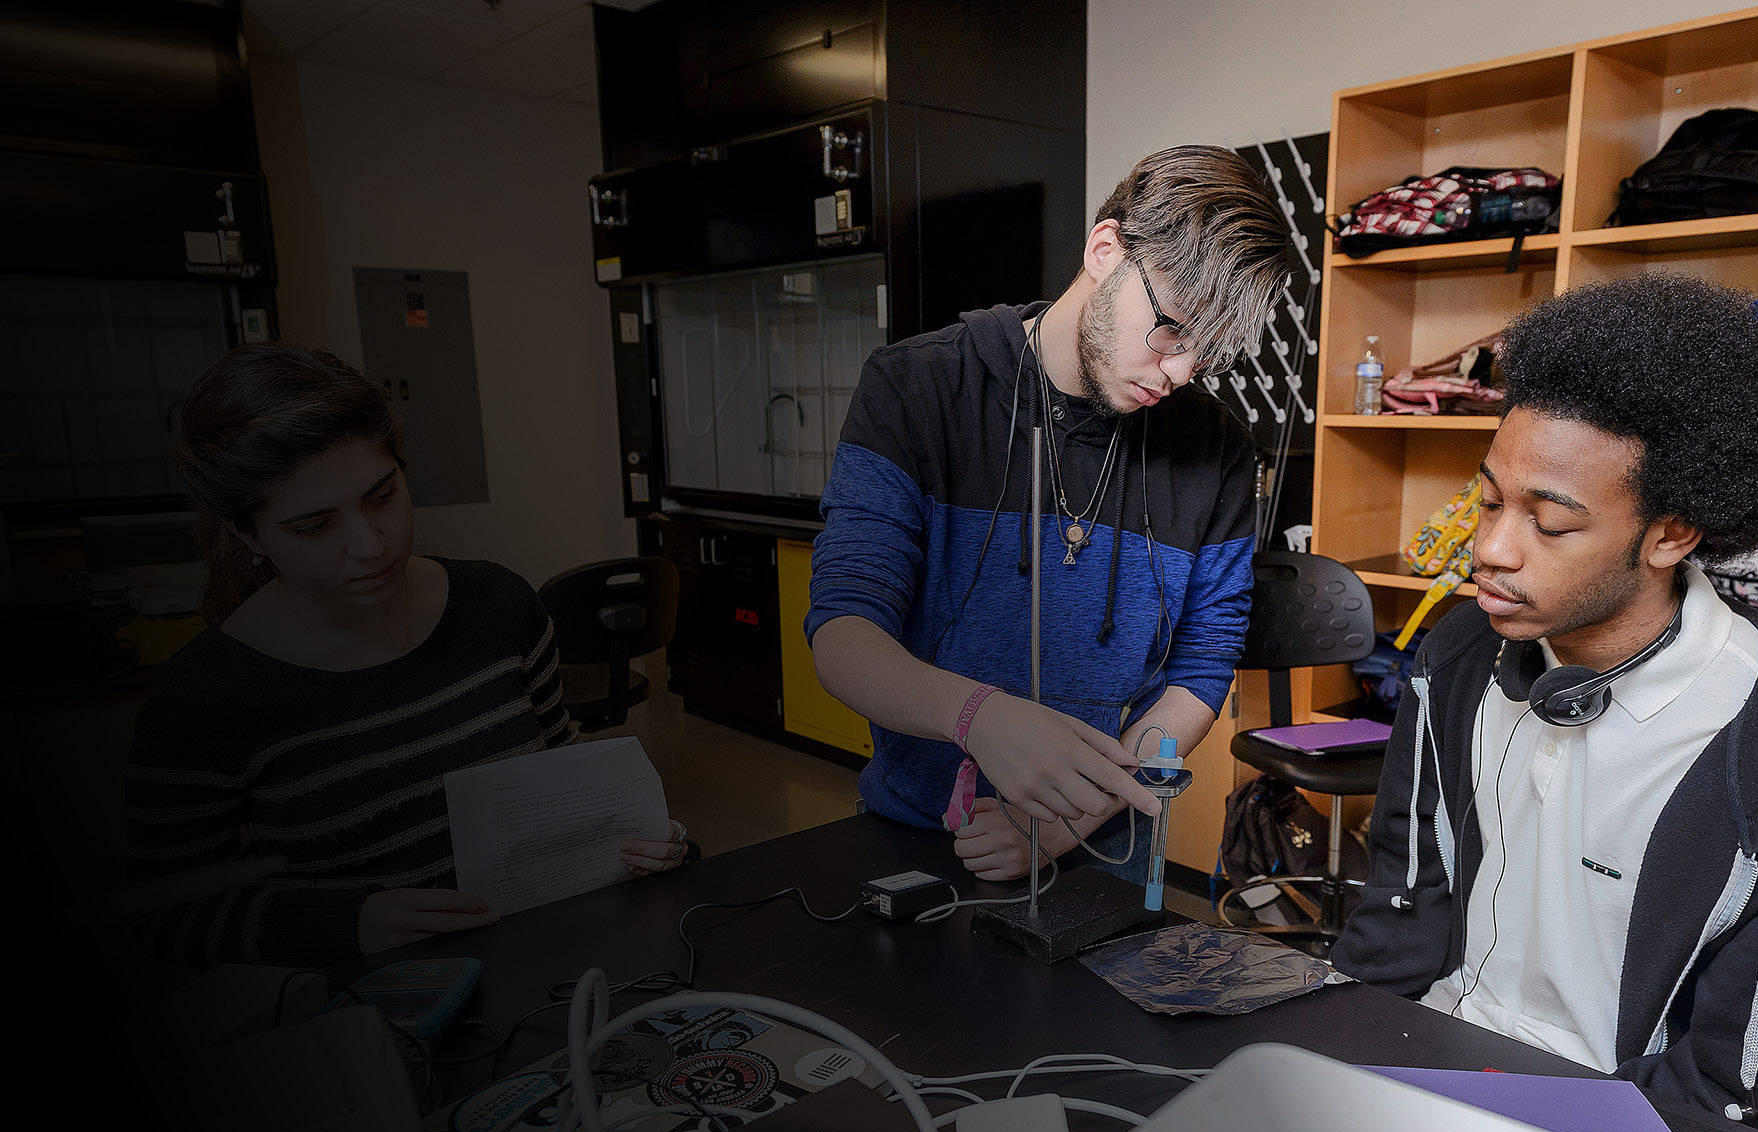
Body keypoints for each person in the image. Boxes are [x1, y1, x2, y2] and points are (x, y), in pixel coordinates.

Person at [1332, 273, 1758, 1132]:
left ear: (1672, 536)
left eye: (1551, 524)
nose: (1489, 548)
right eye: (1491, 500)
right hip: (1435, 1077)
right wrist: (1340, 1061)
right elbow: (1403, 902)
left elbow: (1755, 1106)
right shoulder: (1458, 658)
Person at [806, 145, 1290, 884]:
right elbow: (844, 632)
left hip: (1105, 849)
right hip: (921, 840)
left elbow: (1199, 669)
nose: (1181, 371)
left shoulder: (1215, 448)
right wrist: (979, 717)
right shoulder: (917, 389)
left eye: (1209, 353)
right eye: (1173, 329)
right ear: (1106, 250)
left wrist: (1077, 812)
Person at [124, 343, 688, 964]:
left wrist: (635, 837)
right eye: (315, 526)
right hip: (376, 1026)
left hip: (552, 971)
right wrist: (347, 923)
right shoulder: (206, 694)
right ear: (244, 532)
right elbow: (164, 913)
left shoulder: (499, 606)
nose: (369, 545)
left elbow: (560, 774)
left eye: (381, 496)